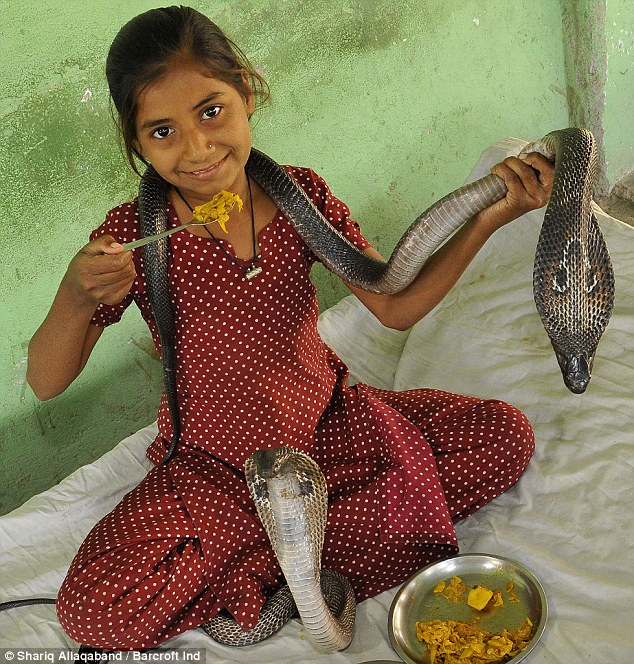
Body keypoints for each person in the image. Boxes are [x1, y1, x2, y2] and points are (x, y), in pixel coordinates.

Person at [26, 6, 554, 651]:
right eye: (162, 131)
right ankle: (294, 559)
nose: (197, 148)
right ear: (136, 143)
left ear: (247, 93)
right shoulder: (133, 241)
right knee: (92, 613)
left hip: (328, 426)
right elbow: (46, 382)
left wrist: (489, 217)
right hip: (216, 465)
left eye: (211, 111)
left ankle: (283, 554)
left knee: (503, 436)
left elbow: (394, 305)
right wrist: (74, 296)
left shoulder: (299, 196)